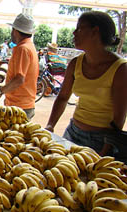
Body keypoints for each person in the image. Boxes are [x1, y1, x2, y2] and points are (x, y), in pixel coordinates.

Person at [45, 11, 127, 156]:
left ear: (95, 32)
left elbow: (119, 117)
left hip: (102, 141)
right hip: (73, 132)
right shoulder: (76, 63)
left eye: (79, 28)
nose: (74, 33)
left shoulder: (120, 69)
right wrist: (50, 125)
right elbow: (63, 97)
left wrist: (105, 151)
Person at [0, 13, 39, 120]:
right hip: (22, 104)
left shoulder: (23, 49)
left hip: (20, 106)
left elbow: (19, 79)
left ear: (15, 31)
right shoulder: (30, 46)